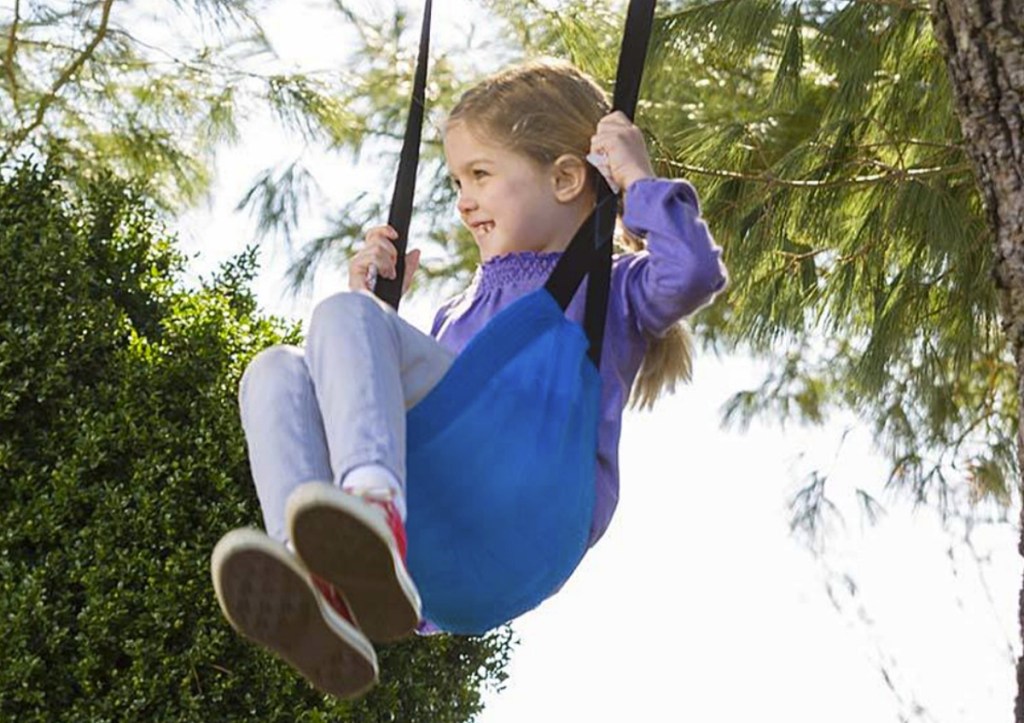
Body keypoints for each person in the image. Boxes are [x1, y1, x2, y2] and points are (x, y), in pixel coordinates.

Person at [210, 58, 728, 700]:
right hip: (445, 548)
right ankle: (321, 580)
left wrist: (637, 181)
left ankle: (373, 511)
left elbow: (693, 273)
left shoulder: (611, 288)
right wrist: (374, 313)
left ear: (566, 178)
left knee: (347, 319)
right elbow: (399, 414)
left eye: (480, 174)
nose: (463, 201)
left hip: (529, 508)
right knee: (274, 369)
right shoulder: (454, 311)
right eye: (457, 180)